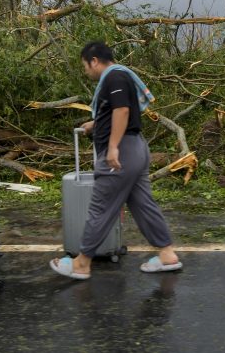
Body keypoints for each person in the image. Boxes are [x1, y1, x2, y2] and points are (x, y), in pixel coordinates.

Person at [50, 41, 182, 279]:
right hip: (136, 149)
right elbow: (115, 112)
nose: (86, 71)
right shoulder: (120, 77)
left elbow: (122, 111)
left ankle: (81, 263)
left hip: (122, 152)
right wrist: (95, 124)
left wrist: (112, 147)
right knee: (143, 204)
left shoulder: (114, 77)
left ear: (94, 61)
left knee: (101, 208)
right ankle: (167, 254)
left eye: (85, 66)